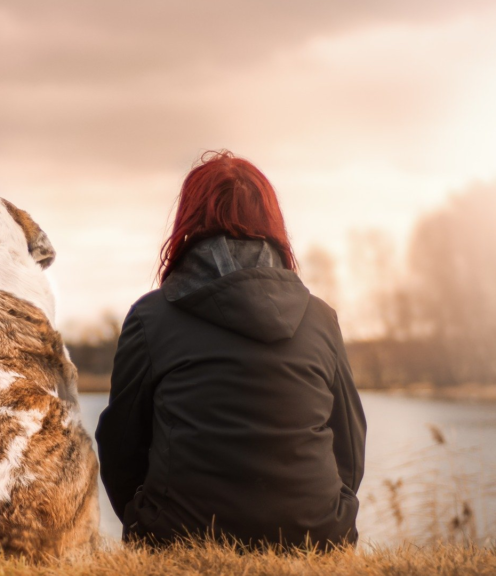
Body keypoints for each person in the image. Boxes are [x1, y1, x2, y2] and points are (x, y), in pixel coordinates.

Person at [95, 150, 366, 550]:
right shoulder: (321, 318)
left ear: (188, 222)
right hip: (316, 537)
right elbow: (350, 445)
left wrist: (146, 519)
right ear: (271, 223)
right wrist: (328, 513)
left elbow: (120, 447)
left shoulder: (151, 318)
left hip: (178, 537)